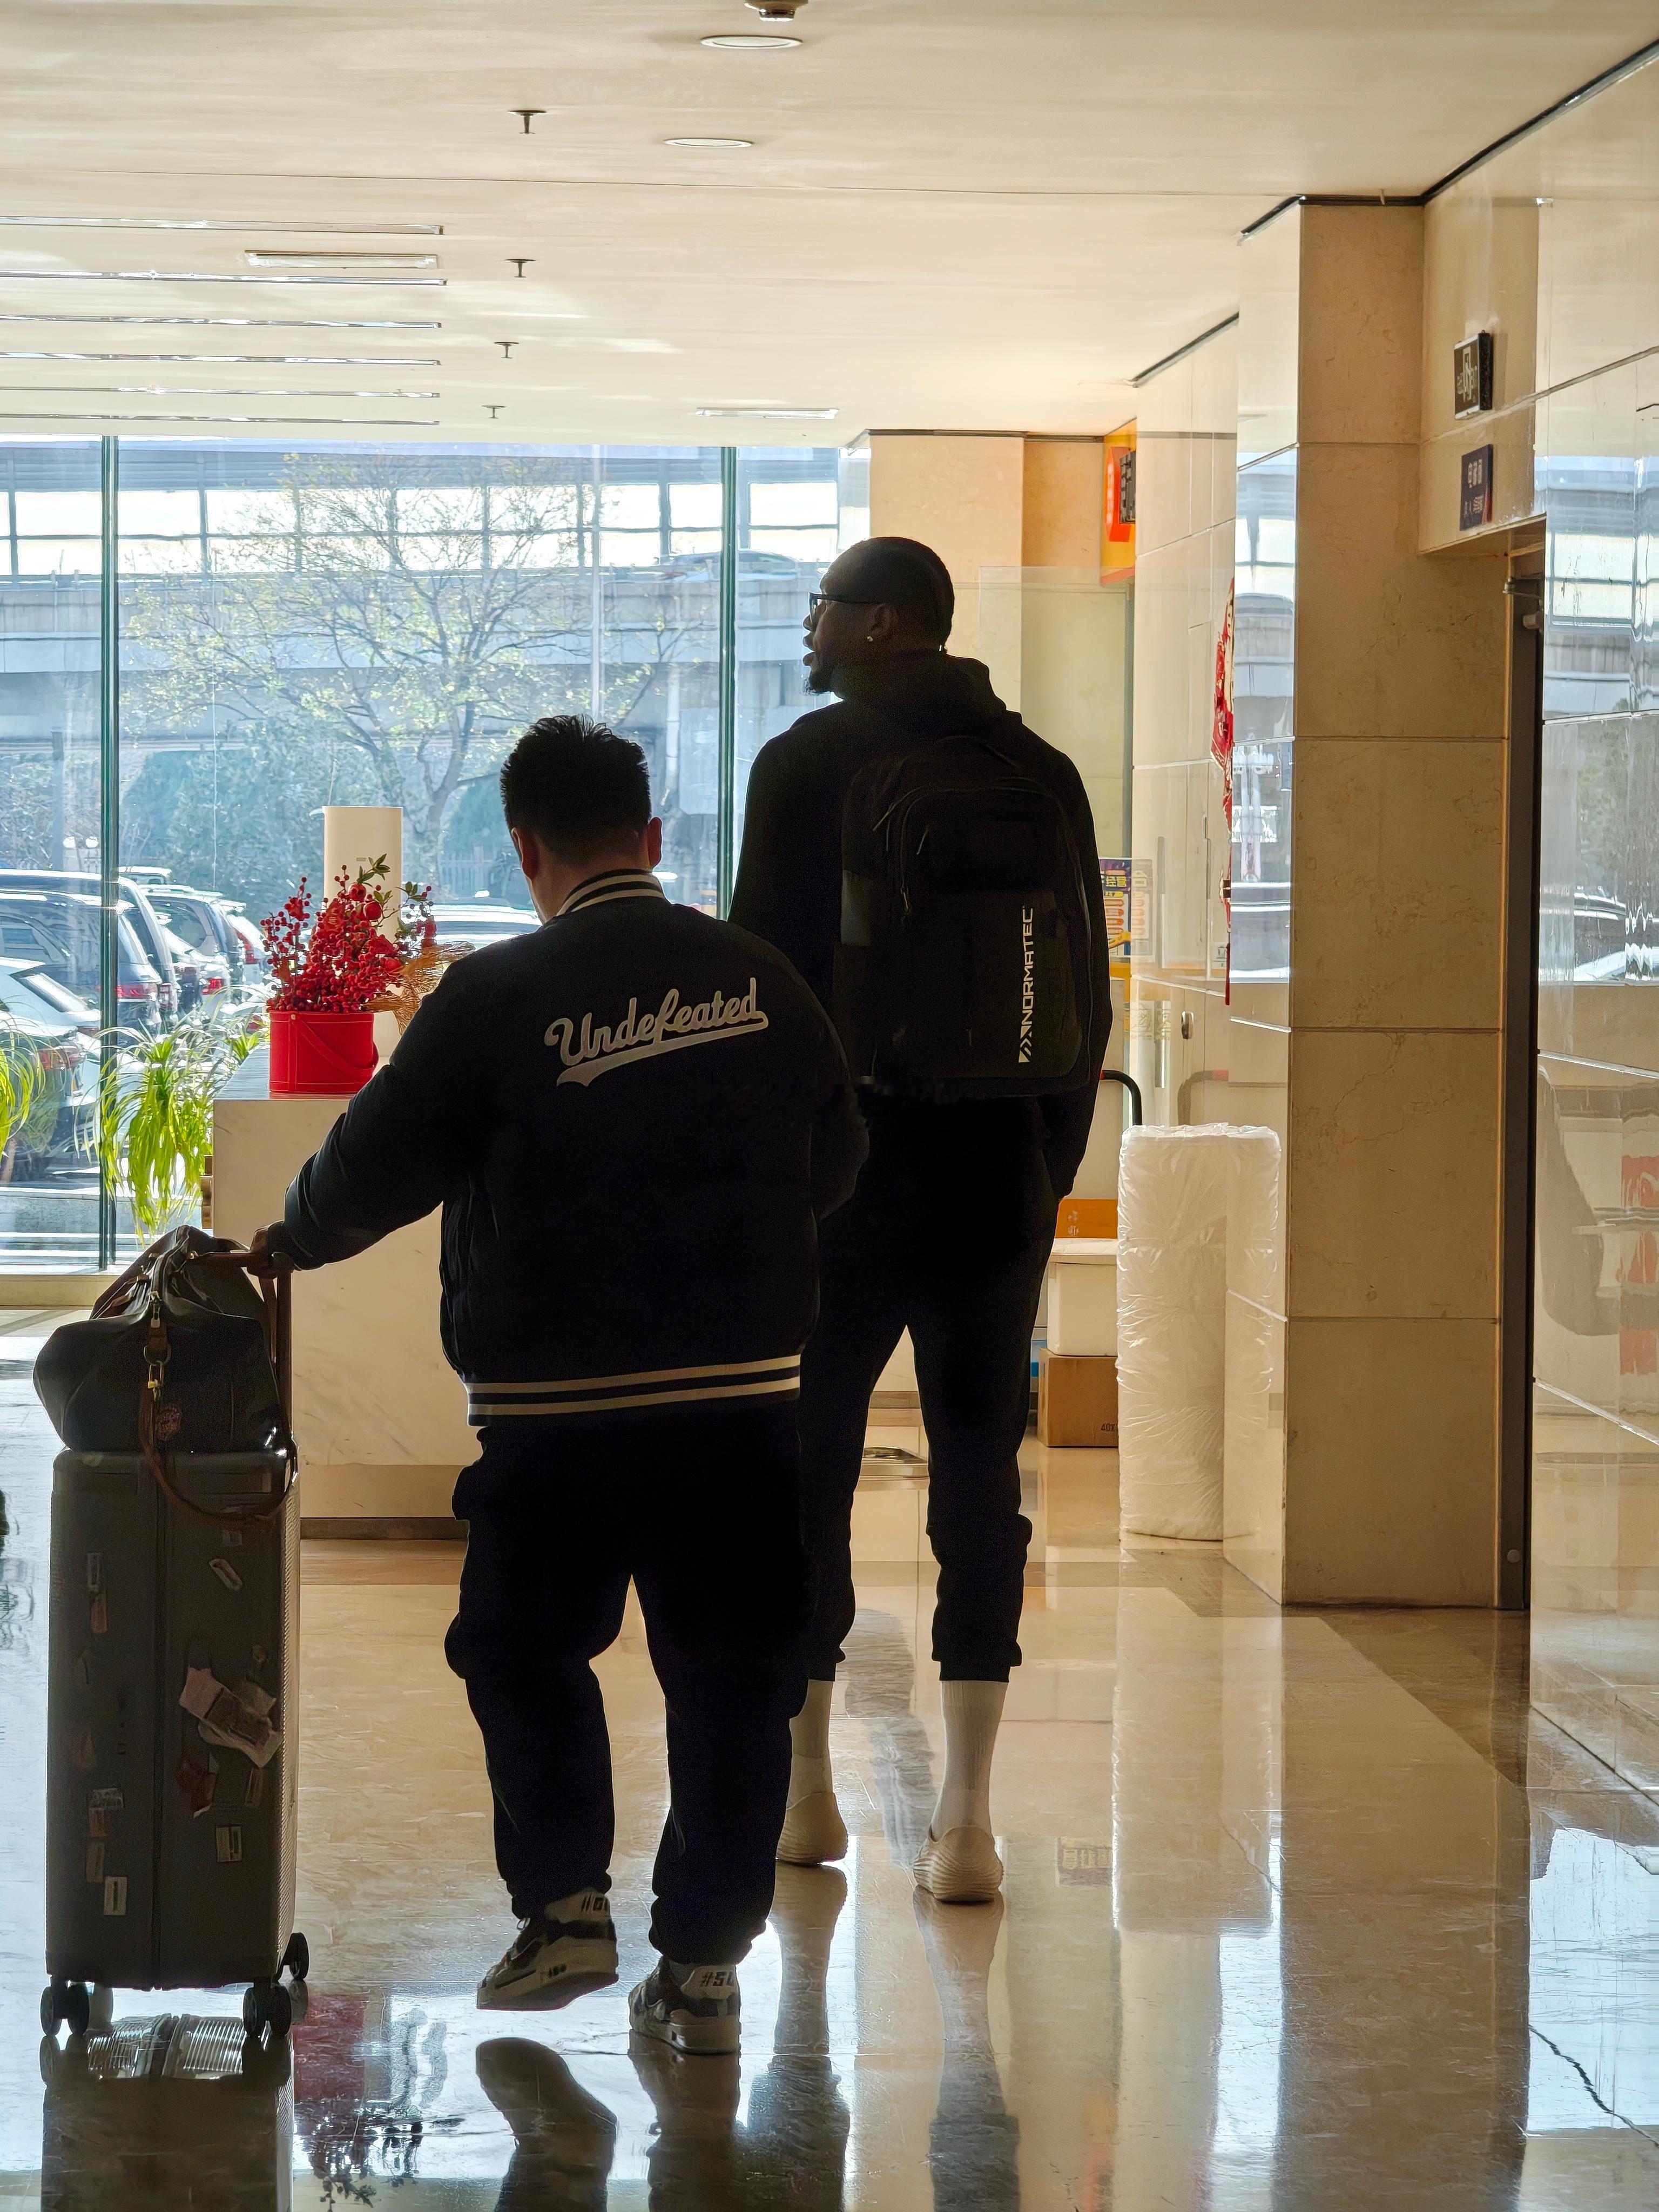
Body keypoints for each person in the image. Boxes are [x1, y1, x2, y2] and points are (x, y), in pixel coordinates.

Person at [253, 714, 867, 2054]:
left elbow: (369, 1164)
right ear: (651, 837)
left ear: (525, 848)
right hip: (742, 1405)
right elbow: (837, 1161)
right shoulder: (765, 981)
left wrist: (282, 1240)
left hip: (553, 1419)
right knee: (732, 1673)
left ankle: (565, 1908)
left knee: (523, 1650)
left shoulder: (495, 997)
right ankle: (704, 1959)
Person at [730, 536, 1109, 1903]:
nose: (811, 628)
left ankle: (810, 1793)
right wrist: (1038, 1171)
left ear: (884, 625)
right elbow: (1086, 1001)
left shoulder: (803, 766)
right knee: (978, 1482)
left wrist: (776, 1176)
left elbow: (761, 987)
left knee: (811, 1469)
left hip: (839, 1184)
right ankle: (967, 1823)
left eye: (825, 606)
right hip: (996, 1177)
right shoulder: (1042, 770)